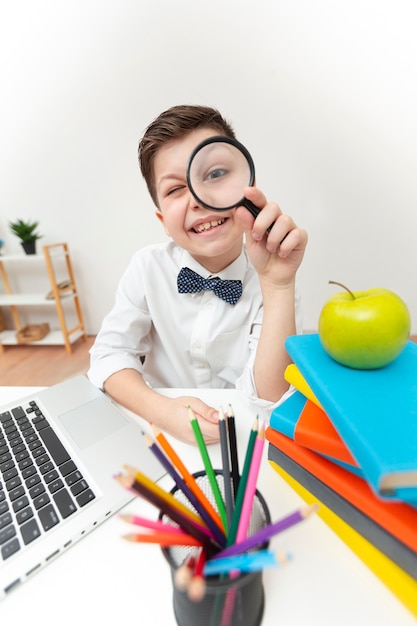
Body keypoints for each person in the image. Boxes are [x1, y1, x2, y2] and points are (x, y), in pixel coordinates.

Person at [88, 105, 308, 445]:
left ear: (247, 189)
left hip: (245, 435)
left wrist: (278, 285)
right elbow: (107, 356)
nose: (198, 198)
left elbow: (271, 399)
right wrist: (164, 411)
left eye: (216, 175)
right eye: (175, 189)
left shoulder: (273, 277)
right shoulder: (147, 267)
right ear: (163, 221)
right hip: (158, 429)